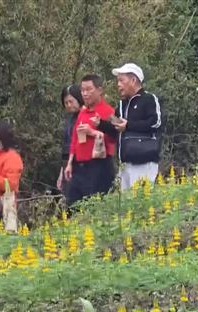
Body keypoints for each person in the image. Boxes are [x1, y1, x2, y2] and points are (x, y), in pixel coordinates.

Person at [96, 63, 162, 190]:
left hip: (144, 162)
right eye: (117, 81)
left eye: (121, 80)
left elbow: (155, 122)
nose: (118, 85)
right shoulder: (122, 104)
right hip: (125, 163)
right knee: (126, 207)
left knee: (141, 202)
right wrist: (100, 124)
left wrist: (129, 125)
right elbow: (115, 129)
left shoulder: (148, 99)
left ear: (133, 80)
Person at [63, 74, 117, 206]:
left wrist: (92, 132)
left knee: (94, 206)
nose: (85, 94)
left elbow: (115, 138)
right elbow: (75, 138)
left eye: (88, 89)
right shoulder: (83, 112)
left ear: (99, 90)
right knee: (72, 205)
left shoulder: (109, 111)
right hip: (79, 166)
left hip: (98, 166)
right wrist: (69, 162)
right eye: (82, 90)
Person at [57, 84, 84, 192]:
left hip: (79, 164)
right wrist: (61, 173)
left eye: (71, 101)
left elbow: (82, 144)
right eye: (66, 103)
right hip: (67, 164)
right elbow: (65, 151)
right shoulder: (69, 119)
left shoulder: (84, 117)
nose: (68, 105)